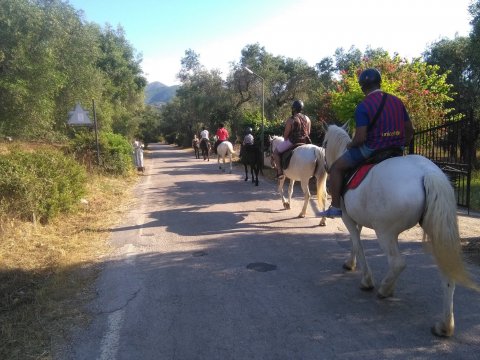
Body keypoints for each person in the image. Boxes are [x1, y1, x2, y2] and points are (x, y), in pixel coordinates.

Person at [319, 68, 415, 218]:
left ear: (362, 87)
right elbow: (410, 129)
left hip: (373, 149)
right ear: (380, 82)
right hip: (396, 149)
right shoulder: (397, 101)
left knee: (336, 168)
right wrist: (403, 144)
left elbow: (361, 138)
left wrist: (350, 145)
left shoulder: (363, 106)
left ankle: (336, 207)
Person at [271, 100, 311, 179]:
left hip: (293, 141)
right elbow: (308, 132)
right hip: (306, 142)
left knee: (275, 153)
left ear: (293, 109)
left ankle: (280, 172)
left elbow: (285, 135)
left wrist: (287, 138)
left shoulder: (291, 119)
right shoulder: (308, 119)